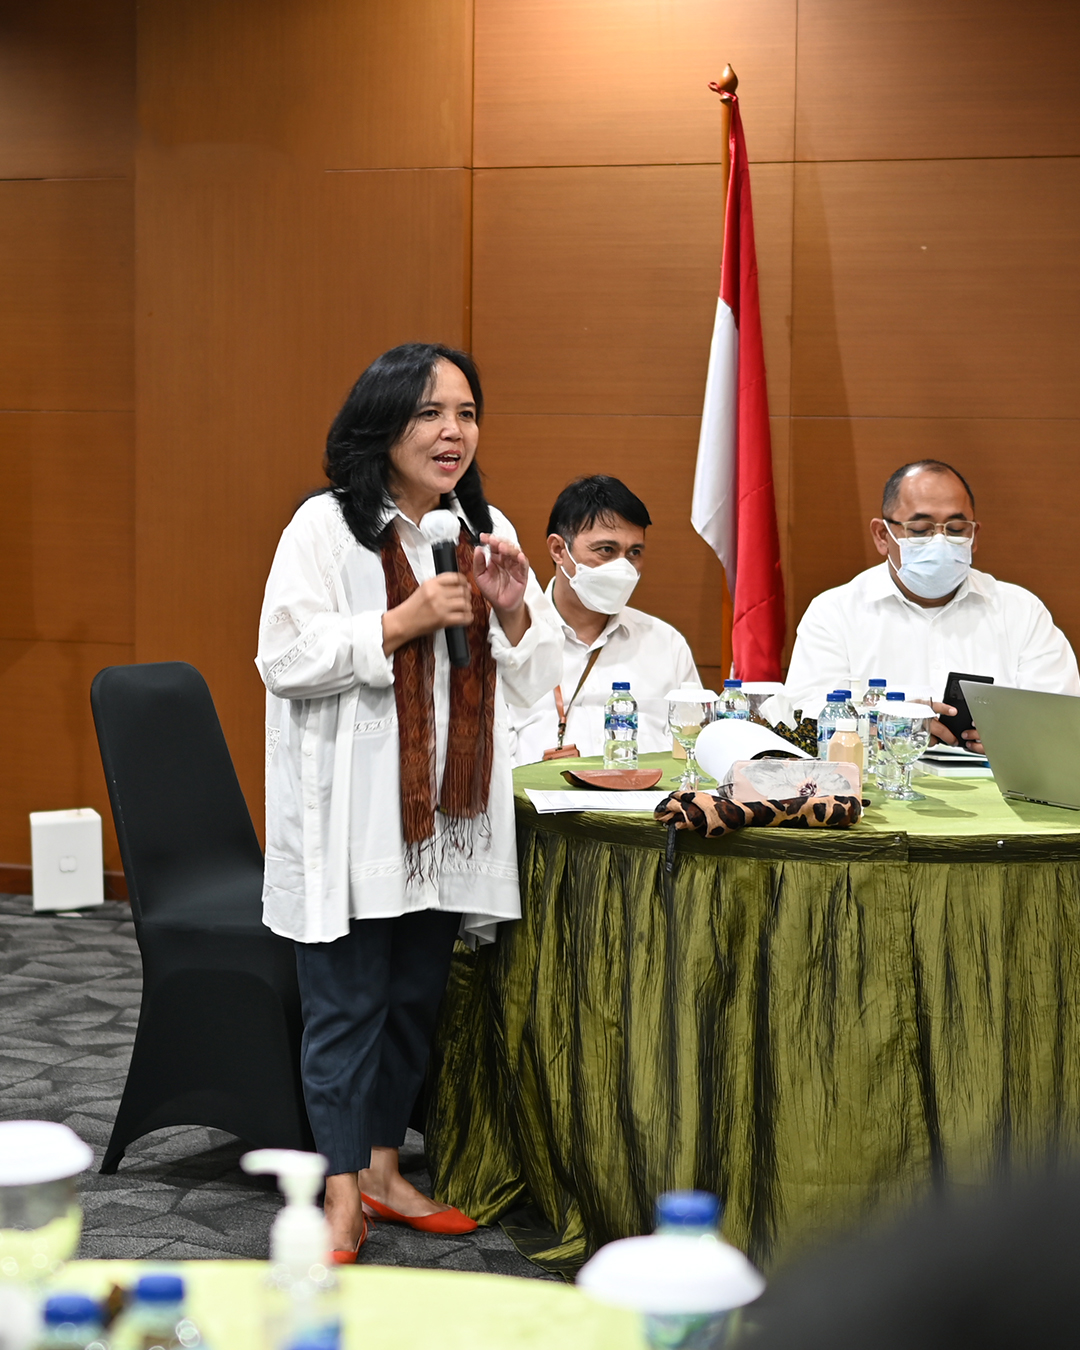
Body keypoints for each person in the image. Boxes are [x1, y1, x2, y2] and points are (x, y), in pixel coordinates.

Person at [255, 343, 561, 1260]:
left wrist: (513, 608)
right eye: (430, 413)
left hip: (448, 824)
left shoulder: (484, 526)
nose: (452, 432)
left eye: (465, 413)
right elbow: (283, 658)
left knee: (414, 1000)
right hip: (355, 819)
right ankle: (340, 1193)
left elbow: (535, 677)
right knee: (348, 1006)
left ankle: (387, 1173)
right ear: (383, 424)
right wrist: (399, 622)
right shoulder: (324, 528)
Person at [781, 460, 1079, 752]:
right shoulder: (834, 612)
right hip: (880, 778)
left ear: (974, 537)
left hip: (994, 780)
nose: (940, 541)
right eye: (921, 529)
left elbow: (1062, 719)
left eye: (956, 529)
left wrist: (1014, 737)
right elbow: (804, 716)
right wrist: (883, 726)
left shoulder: (1021, 612)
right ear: (882, 536)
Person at [507, 475, 700, 766]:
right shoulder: (513, 640)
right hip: (534, 795)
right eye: (606, 550)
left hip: (646, 796)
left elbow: (693, 754)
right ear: (559, 550)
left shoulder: (666, 644)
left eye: (634, 553)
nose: (622, 567)